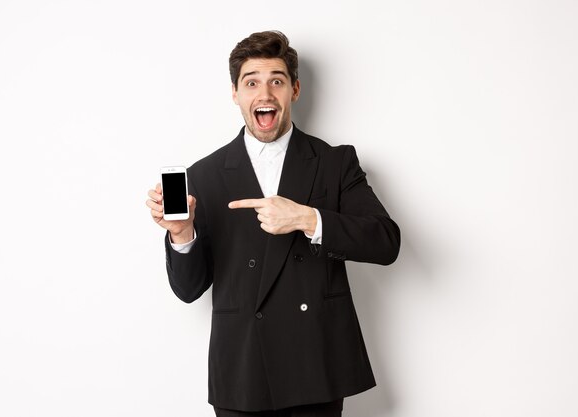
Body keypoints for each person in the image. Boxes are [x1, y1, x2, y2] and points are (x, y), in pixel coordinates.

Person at [146, 30, 400, 417]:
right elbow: (188, 289)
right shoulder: (205, 175)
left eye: (276, 81)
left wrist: (305, 217)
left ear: (294, 90)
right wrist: (182, 234)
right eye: (251, 83)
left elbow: (386, 242)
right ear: (235, 93)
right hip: (242, 369)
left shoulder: (335, 162)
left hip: (315, 364)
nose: (264, 94)